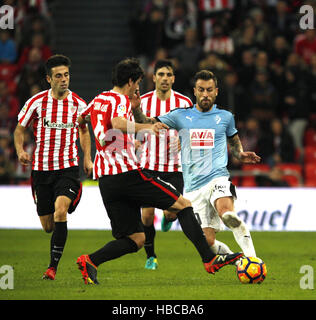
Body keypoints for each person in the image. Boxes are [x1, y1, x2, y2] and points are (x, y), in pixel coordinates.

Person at [77, 58, 242, 285]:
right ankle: (209, 259)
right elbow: (116, 123)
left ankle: (90, 261)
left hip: (106, 180)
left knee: (135, 239)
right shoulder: (119, 99)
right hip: (128, 174)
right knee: (183, 205)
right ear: (131, 81)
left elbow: (81, 120)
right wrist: (147, 127)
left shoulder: (98, 99)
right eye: (137, 83)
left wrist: (88, 156)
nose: (138, 89)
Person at [132, 70, 260, 258]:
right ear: (195, 91)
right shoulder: (180, 115)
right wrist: (136, 108)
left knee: (227, 214)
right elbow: (146, 122)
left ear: (216, 91)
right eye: (201, 90)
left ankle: (253, 259)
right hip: (192, 186)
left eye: (209, 90)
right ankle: (238, 259)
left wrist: (239, 154)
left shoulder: (225, 117)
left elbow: (233, 141)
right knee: (206, 241)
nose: (205, 94)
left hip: (218, 177)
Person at [14, 54, 93, 280]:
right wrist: (20, 151)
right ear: (49, 79)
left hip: (67, 168)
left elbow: (84, 132)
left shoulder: (79, 104)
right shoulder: (36, 102)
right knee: (48, 225)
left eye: (66, 75)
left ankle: (52, 268)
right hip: (41, 170)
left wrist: (87, 157)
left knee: (61, 211)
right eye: (58, 76)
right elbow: (19, 130)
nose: (63, 80)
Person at [137, 59, 192, 270]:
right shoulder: (142, 102)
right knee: (147, 215)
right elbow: (137, 127)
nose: (165, 79)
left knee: (171, 212)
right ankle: (151, 256)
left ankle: (169, 219)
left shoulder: (184, 102)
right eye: (161, 74)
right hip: (148, 165)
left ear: (174, 79)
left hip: (175, 168)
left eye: (169, 75)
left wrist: (184, 139)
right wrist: (136, 139)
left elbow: (193, 129)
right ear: (154, 78)